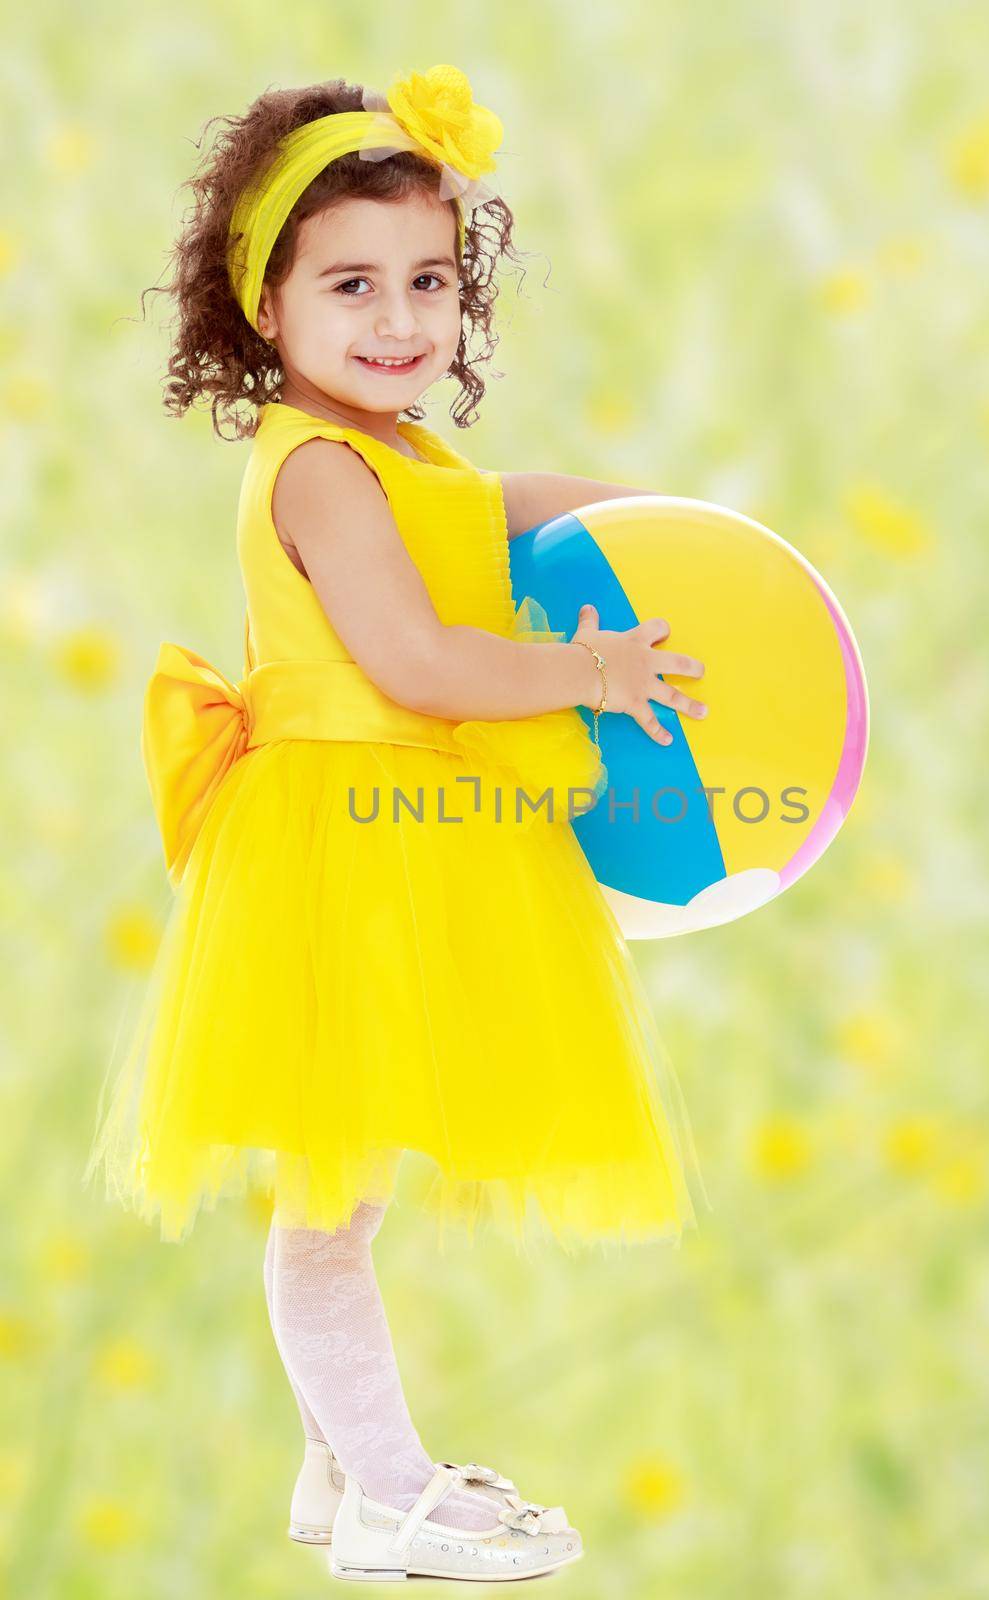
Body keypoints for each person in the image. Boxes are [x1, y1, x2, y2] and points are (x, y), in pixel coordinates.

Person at [83, 65, 711, 1581]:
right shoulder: (316, 471)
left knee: (345, 1187)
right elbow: (418, 662)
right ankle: (383, 1490)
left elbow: (508, 503)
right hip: (345, 846)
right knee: (328, 1202)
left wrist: (675, 531)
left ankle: (336, 1473)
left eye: (429, 281)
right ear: (265, 311)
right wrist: (589, 672)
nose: (398, 321)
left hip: (404, 837)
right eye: (351, 285)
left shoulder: (400, 455)